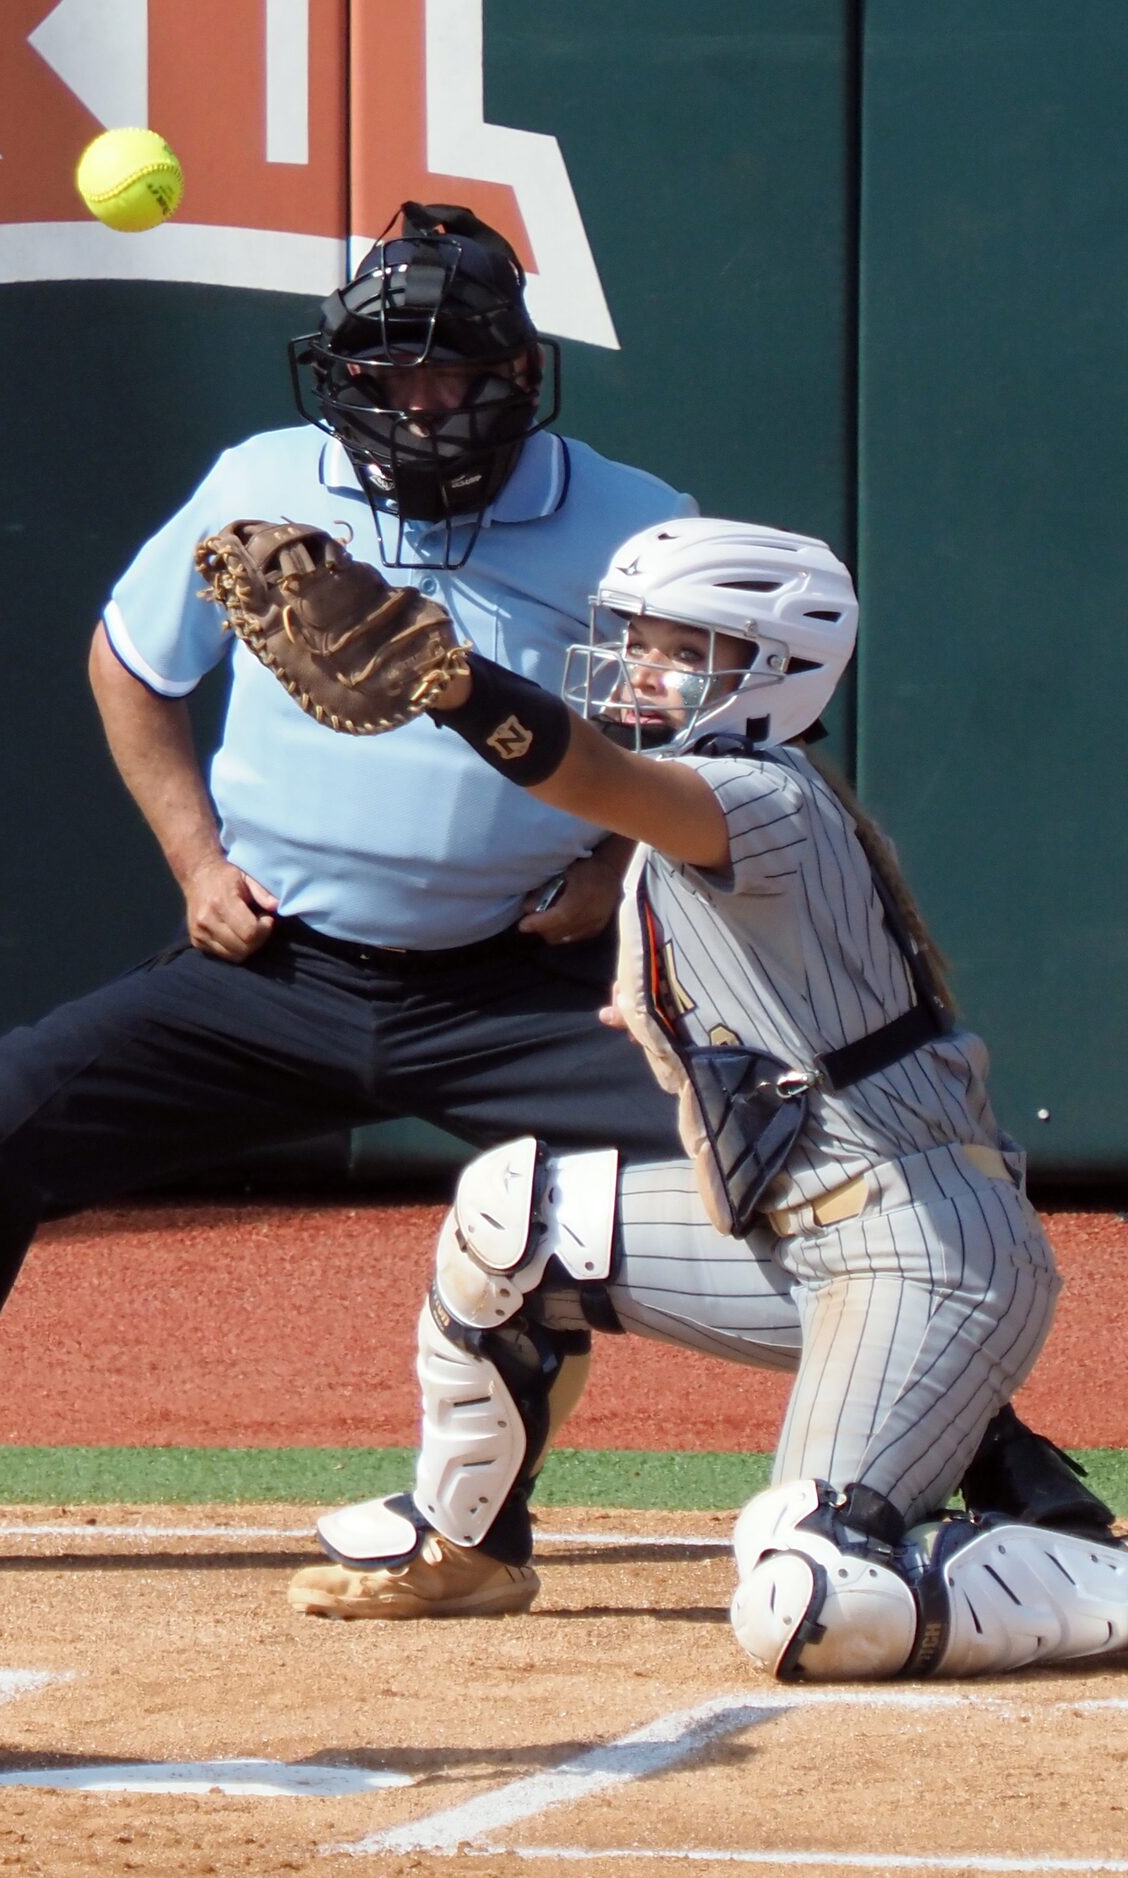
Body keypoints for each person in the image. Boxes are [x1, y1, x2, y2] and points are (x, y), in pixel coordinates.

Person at [0, 203, 704, 1559]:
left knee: (782, 1154)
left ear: (520, 373)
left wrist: (616, 862)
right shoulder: (264, 481)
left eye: (447, 370)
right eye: (386, 372)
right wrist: (195, 861)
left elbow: (713, 755)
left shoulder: (636, 529)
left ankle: (961, 1453)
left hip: (524, 986)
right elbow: (130, 665)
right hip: (278, 972)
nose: (416, 402)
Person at [287, 517, 1125, 1680]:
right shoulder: (714, 812)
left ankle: (1089, 1569)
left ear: (773, 670)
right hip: (806, 1242)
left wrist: (458, 687)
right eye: (635, 639)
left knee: (811, 1597)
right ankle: (462, 1545)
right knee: (510, 1220)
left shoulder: (754, 796)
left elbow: (592, 774)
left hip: (928, 1254)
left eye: (681, 648)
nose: (639, 667)